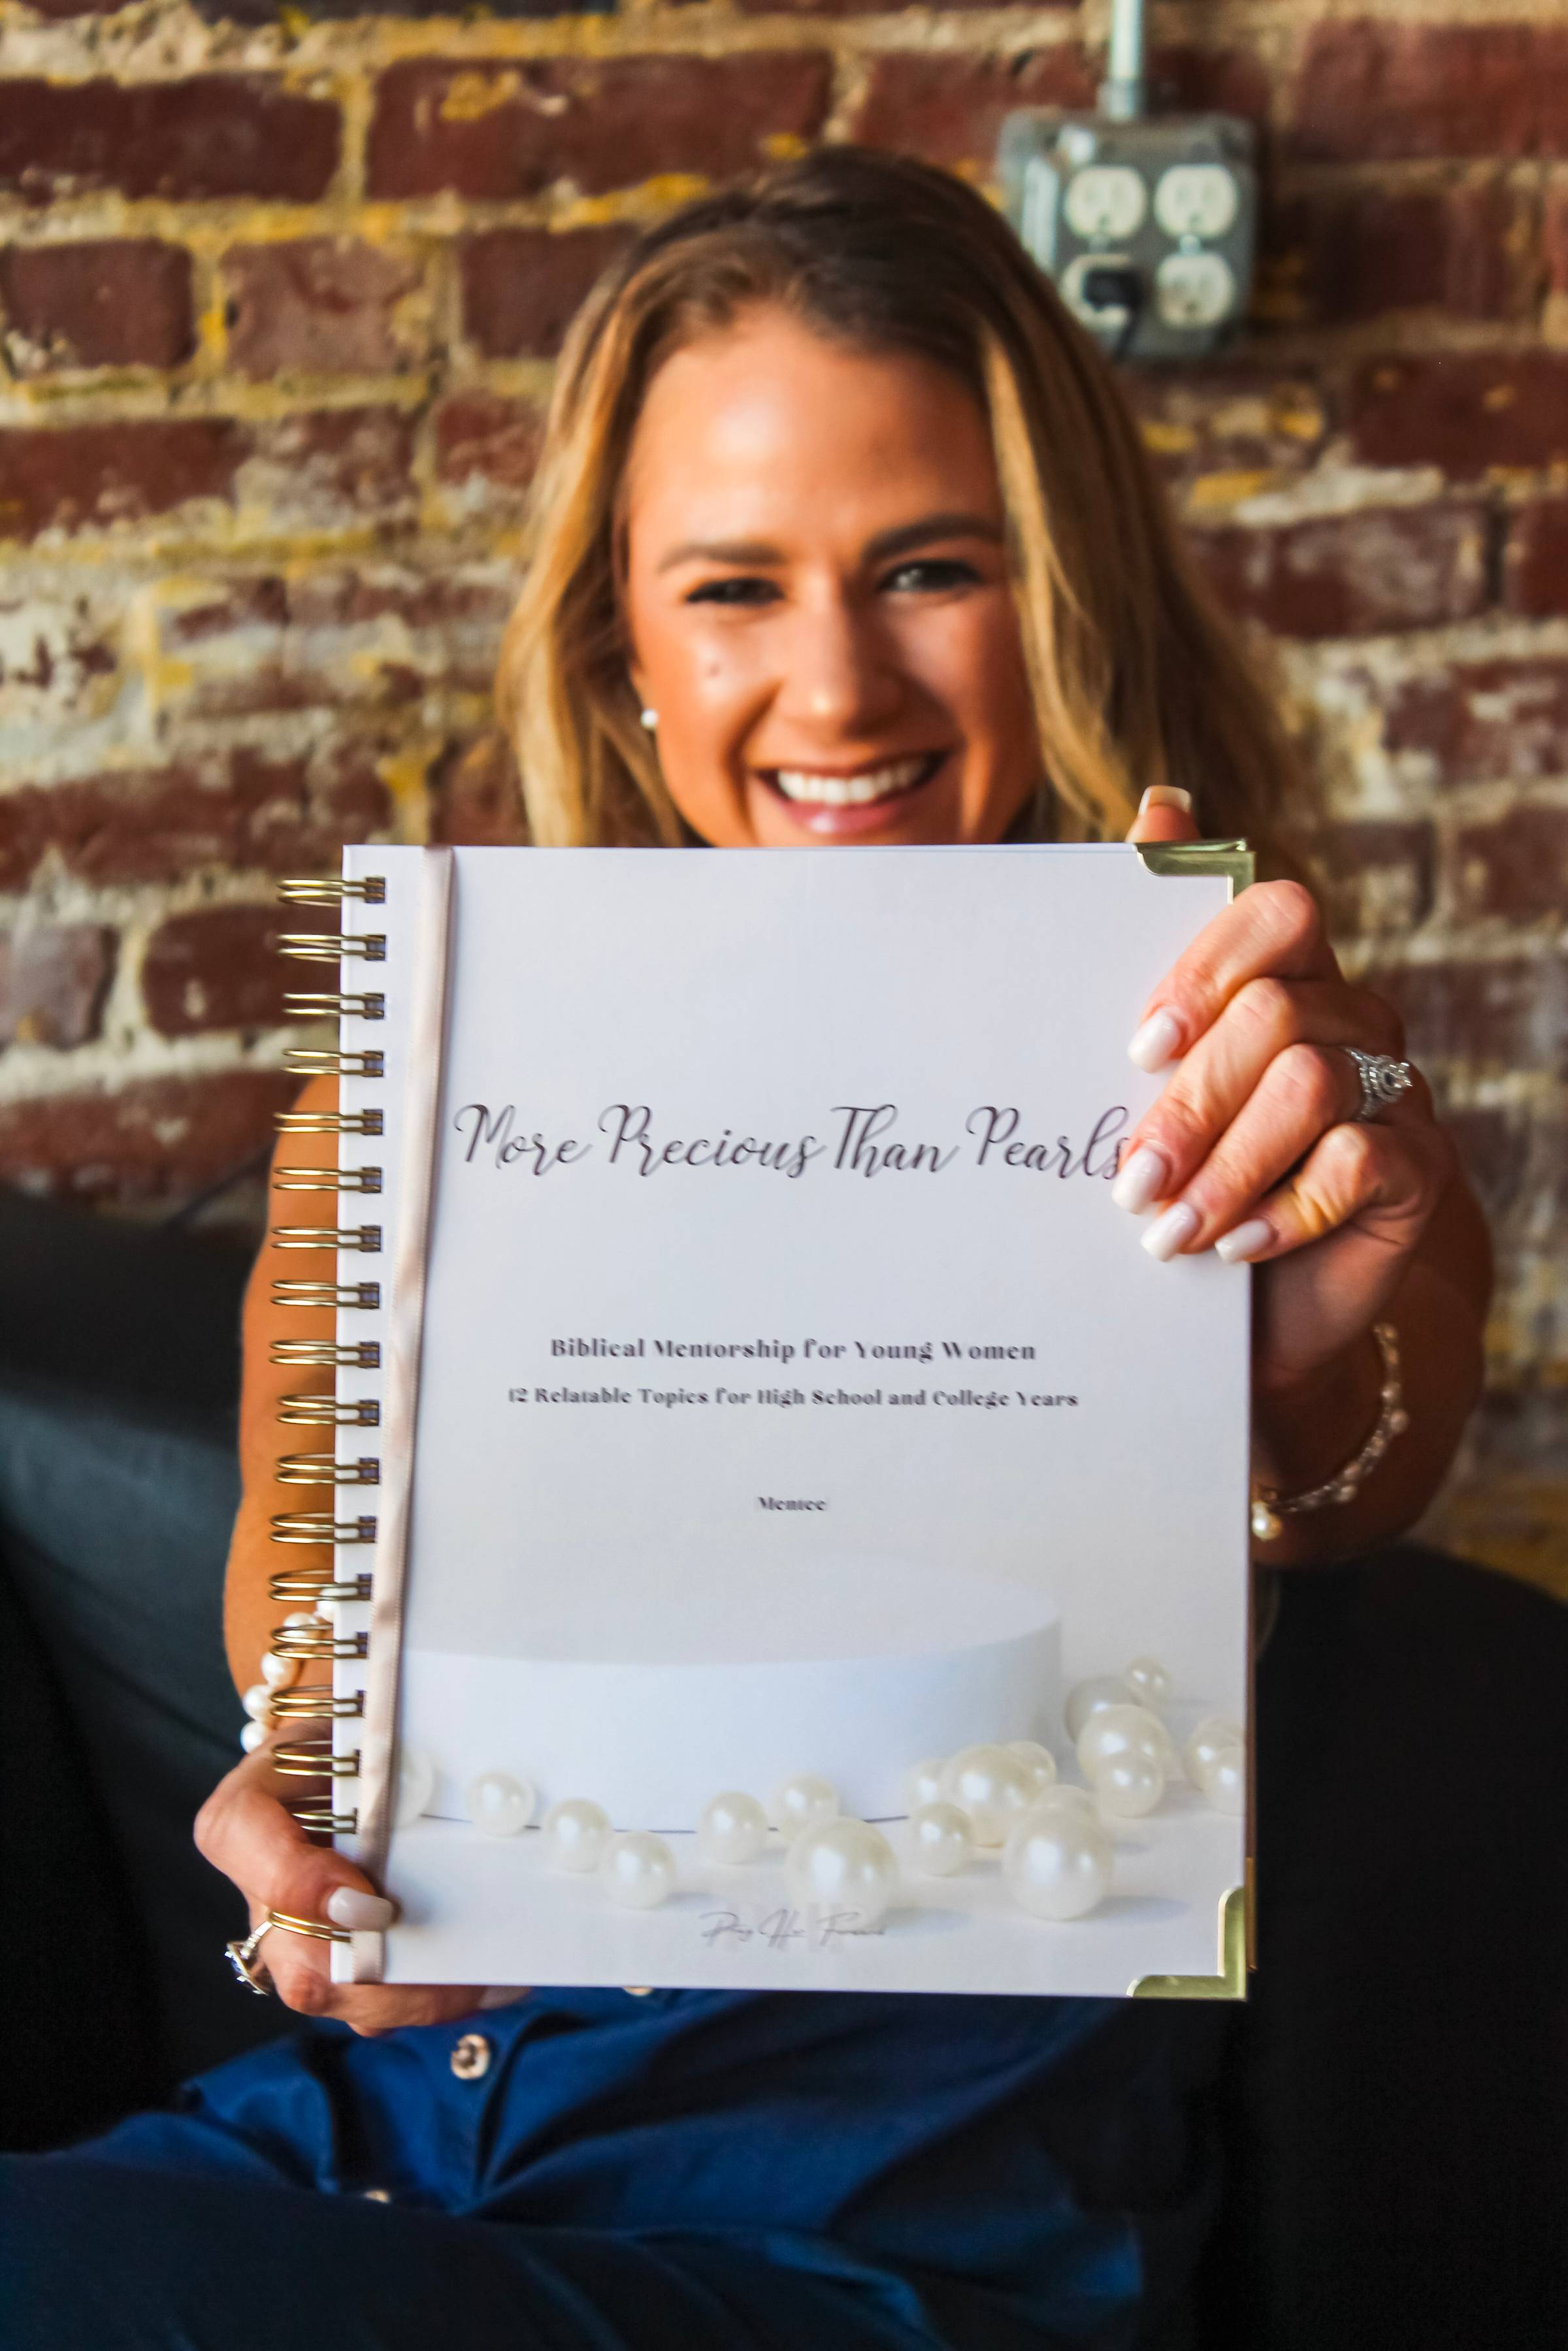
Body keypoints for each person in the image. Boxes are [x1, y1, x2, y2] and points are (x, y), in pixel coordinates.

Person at [3, 149, 1488, 2349]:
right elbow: (315, 1628)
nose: (835, 687)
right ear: (622, 648)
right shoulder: (430, 1074)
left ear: (1058, 585)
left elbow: (1373, 1460)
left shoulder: (1228, 1042)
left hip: (888, 2237)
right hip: (377, 2152)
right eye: (731, 587)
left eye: (925, 568)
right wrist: (313, 1833)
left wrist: (1322, 1279)